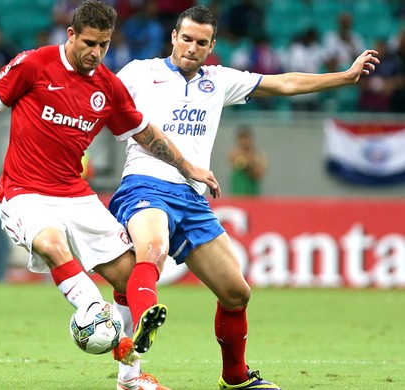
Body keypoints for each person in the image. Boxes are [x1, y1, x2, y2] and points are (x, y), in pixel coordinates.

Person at [0, 2, 219, 389]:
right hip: (23, 193)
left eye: (104, 45)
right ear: (71, 35)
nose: (96, 53)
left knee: (129, 275)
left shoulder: (108, 86)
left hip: (75, 194)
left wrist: (188, 167)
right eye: (90, 43)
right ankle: (92, 311)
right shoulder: (33, 65)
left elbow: (147, 134)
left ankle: (129, 376)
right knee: (50, 241)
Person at [108, 5, 379, 389]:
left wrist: (345, 77)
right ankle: (140, 337)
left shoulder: (218, 81)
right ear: (173, 37)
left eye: (201, 43)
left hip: (192, 198)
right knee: (152, 247)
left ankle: (234, 378)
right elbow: (96, 102)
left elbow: (283, 83)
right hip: (145, 183)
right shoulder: (138, 73)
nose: (192, 48)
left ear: (212, 45)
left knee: (236, 293)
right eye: (186, 39)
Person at [227, 125, 267, 196]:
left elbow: (259, 173)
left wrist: (248, 164)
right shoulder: (234, 153)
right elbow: (233, 162)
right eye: (241, 138)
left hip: (253, 193)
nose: (244, 141)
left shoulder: (259, 155)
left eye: (246, 138)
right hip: (238, 193)